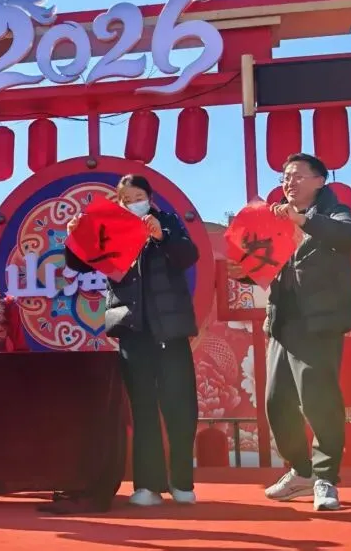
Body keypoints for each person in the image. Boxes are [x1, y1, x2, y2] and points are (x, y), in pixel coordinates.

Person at [227, 152, 351, 511]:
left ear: (320, 181)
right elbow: (264, 265)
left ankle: (325, 477)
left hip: (318, 324)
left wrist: (302, 219)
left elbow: (349, 236)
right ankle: (301, 471)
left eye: (298, 176)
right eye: (285, 177)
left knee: (319, 401)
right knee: (276, 402)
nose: (289, 183)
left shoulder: (335, 212)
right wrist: (243, 271)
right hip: (283, 322)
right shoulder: (273, 219)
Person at [65, 174, 200, 507]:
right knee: (143, 408)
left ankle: (182, 481)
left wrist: (162, 236)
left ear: (150, 198)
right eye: (126, 199)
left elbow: (188, 255)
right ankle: (147, 486)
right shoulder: (110, 226)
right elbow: (78, 263)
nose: (133, 203)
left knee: (180, 406)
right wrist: (75, 236)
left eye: (138, 197)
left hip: (170, 329)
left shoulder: (167, 222)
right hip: (132, 330)